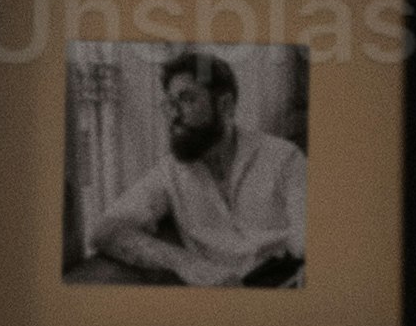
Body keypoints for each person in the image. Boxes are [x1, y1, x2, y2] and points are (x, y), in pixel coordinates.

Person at [75, 48, 310, 289]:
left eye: (187, 99)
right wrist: (186, 263)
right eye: (169, 103)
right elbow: (104, 231)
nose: (173, 115)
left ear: (225, 106)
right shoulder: (170, 172)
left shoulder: (285, 157)